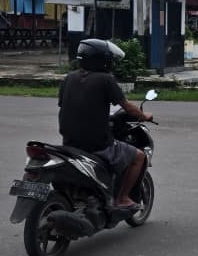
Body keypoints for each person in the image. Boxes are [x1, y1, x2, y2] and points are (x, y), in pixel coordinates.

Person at [58, 38, 153, 209]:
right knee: (139, 157)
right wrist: (143, 115)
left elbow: (69, 105)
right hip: (97, 145)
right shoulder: (105, 80)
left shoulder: (69, 78)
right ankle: (123, 198)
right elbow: (128, 107)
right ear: (102, 59)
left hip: (69, 144)